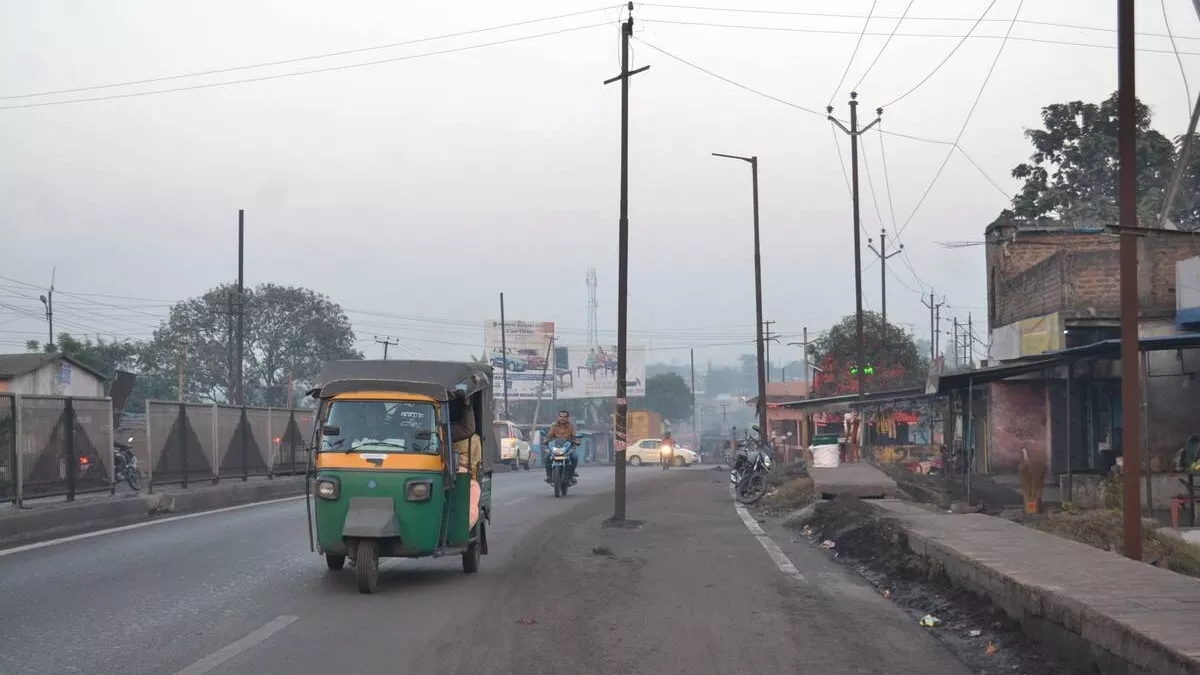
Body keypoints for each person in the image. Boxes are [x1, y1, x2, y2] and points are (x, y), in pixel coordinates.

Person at [543, 410, 579, 484]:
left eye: (565, 417)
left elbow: (575, 436)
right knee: (547, 457)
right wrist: (546, 440)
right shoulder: (554, 426)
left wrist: (576, 441)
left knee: (575, 457)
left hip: (567, 447)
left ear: (567, 418)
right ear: (558, 417)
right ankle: (549, 476)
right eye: (561, 416)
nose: (563, 418)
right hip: (556, 447)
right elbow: (549, 435)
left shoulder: (571, 426)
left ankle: (571, 474)